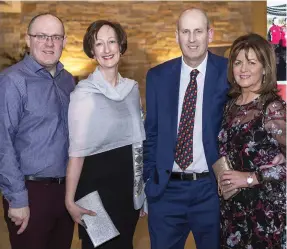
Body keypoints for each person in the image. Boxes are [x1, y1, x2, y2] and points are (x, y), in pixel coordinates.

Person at [143, 8, 229, 249]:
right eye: (186, 32)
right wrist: (150, 180)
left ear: (210, 34)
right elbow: (151, 133)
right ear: (177, 35)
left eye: (198, 31)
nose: (192, 39)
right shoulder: (157, 76)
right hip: (167, 192)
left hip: (211, 191)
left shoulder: (229, 72)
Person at [65, 20, 146, 249]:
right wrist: (69, 200)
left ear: (121, 46)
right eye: (99, 44)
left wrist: (141, 193)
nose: (107, 49)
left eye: (112, 42)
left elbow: (137, 144)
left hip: (127, 190)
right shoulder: (83, 94)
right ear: (92, 51)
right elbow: (76, 152)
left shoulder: (131, 89)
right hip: (95, 194)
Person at [0, 13, 75, 249]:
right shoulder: (12, 81)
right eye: (41, 36)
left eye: (55, 37)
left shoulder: (69, 81)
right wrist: (17, 199)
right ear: (28, 39)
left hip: (65, 193)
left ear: (64, 41)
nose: (49, 43)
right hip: (31, 193)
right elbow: (3, 142)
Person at [218, 33, 286, 249]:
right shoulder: (230, 106)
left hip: (265, 212)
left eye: (251, 62)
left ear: (264, 68)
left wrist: (249, 178)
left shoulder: (272, 108)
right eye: (238, 62)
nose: (243, 68)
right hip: (232, 210)